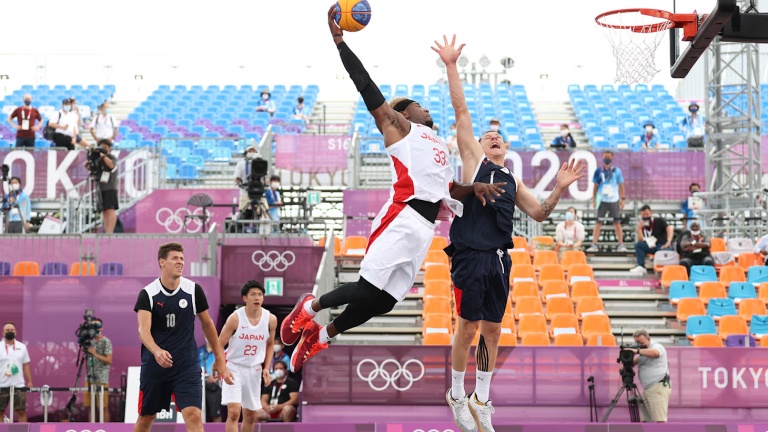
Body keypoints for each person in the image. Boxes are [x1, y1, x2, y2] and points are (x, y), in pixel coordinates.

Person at [279, 9, 504, 374]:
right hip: (402, 216)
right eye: (417, 104)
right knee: (367, 289)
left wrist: (473, 187)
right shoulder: (399, 128)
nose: (424, 106)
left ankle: (321, 335)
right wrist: (340, 43)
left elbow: (447, 189)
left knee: (384, 301)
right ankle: (308, 308)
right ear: (404, 113)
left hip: (424, 228)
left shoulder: (437, 144)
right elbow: (366, 86)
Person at [434, 34, 585, 432]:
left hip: (500, 259)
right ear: (478, 145)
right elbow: (461, 110)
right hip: (469, 254)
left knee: (494, 329)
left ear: (506, 145)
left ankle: (481, 399)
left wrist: (559, 188)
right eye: (488, 136)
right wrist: (451, 65)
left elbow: (540, 214)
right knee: (467, 327)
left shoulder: (513, 180)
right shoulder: (473, 163)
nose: (494, 136)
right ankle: (456, 393)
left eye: (498, 135)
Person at [133, 242, 233, 432]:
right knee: (146, 418)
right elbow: (143, 331)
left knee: (194, 415)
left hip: (186, 366)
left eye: (182, 258)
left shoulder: (193, 290)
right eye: (175, 258)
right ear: (162, 262)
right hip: (155, 367)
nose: (180, 262)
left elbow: (208, 324)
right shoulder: (148, 294)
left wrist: (220, 359)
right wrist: (157, 351)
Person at [218, 280, 276, 432]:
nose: (257, 298)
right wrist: (223, 368)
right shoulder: (235, 318)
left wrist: (266, 368)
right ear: (245, 298)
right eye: (253, 295)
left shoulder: (270, 319)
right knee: (234, 412)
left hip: (254, 369)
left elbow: (270, 344)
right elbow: (219, 344)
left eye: (260, 295)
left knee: (250, 415)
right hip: (233, 367)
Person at [586, 151, 627, 253]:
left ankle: (621, 244)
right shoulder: (598, 171)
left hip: (614, 200)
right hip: (602, 200)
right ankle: (594, 244)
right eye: (605, 157)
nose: (607, 158)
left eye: (609, 157)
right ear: (602, 158)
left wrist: (622, 199)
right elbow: (595, 186)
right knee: (598, 223)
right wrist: (594, 199)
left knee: (617, 223)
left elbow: (621, 185)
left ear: (612, 158)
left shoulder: (617, 171)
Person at [627, 329, 670, 422]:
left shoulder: (657, 346)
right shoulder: (642, 352)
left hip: (657, 387)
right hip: (647, 389)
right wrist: (627, 357)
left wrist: (637, 350)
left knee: (659, 420)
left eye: (641, 342)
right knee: (645, 420)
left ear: (648, 338)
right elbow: (633, 362)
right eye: (637, 342)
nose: (639, 345)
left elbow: (655, 353)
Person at [0, 322, 32, 423]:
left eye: (12, 330)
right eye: (7, 330)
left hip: (18, 384)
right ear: (2, 333)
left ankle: (22, 430)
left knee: (21, 411)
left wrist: (30, 381)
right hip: (1, 384)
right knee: (0, 411)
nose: (10, 332)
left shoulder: (22, 347)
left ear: (15, 332)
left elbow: (25, 365)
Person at [85, 139, 118, 233]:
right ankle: (107, 231)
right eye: (101, 147)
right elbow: (94, 171)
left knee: (110, 210)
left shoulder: (111, 157)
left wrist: (102, 155)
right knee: (104, 211)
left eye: (105, 147)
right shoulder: (97, 159)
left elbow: (111, 166)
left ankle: (110, 232)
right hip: (100, 187)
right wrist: (88, 164)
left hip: (110, 187)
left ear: (109, 148)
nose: (103, 149)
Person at [84, 317, 113, 422]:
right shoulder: (89, 342)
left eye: (97, 325)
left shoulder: (106, 341)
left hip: (102, 378)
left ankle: (105, 428)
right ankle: (91, 427)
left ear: (101, 327)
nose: (95, 328)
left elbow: (109, 360)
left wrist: (95, 354)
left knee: (103, 406)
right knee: (90, 406)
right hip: (89, 377)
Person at [632, 205, 674, 274]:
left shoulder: (658, 220)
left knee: (666, 252)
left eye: (647, 214)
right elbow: (640, 240)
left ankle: (665, 269)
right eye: (643, 215)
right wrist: (639, 229)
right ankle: (641, 266)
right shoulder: (642, 225)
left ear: (651, 213)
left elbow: (669, 228)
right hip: (651, 245)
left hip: (662, 245)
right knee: (639, 245)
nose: (645, 216)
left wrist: (668, 241)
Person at [198, 340, 222, 422]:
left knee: (216, 413)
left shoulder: (219, 351)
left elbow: (224, 366)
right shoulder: (199, 351)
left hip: (215, 384)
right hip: (201, 383)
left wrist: (216, 375)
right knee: (199, 412)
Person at [234, 144, 260, 211]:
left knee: (261, 212)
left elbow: (265, 176)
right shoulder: (240, 164)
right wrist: (239, 182)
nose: (252, 152)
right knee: (243, 212)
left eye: (254, 151)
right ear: (246, 153)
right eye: (250, 151)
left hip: (258, 192)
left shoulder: (261, 163)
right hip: (245, 191)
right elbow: (236, 177)